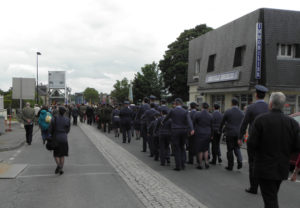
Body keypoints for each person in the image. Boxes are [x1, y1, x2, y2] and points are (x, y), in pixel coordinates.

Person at [248, 92, 300, 208]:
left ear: (270, 104)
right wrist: (285, 152)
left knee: (270, 199)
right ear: (283, 105)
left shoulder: (261, 120)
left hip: (264, 167)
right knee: (271, 195)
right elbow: (297, 146)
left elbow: (251, 144)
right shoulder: (293, 123)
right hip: (282, 167)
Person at [239, 85, 269, 194]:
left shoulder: (251, 108)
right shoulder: (269, 107)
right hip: (267, 140)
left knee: (253, 163)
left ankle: (253, 187)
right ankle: (265, 187)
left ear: (256, 95)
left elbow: (244, 124)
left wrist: (240, 137)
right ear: (264, 96)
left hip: (253, 139)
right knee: (264, 163)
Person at [163, 98, 194, 171]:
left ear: (176, 104)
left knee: (176, 148)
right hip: (183, 131)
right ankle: (183, 164)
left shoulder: (172, 111)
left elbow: (166, 118)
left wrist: (163, 122)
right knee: (182, 147)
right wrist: (192, 129)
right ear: (181, 104)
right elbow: (189, 121)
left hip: (175, 131)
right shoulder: (185, 111)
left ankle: (178, 166)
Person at [219, 98, 244, 171]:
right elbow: (243, 124)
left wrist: (220, 129)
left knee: (230, 150)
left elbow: (222, 122)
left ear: (231, 103)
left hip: (230, 133)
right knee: (237, 148)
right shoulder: (241, 113)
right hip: (238, 133)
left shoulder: (228, 111)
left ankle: (230, 166)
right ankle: (240, 161)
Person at [49, 106, 71, 175]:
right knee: (62, 154)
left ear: (58, 111)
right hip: (64, 138)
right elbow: (68, 130)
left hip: (56, 138)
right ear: (64, 112)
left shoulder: (54, 119)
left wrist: (51, 135)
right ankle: (61, 168)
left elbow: (50, 129)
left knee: (56, 154)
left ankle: (58, 165)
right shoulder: (67, 119)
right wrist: (64, 133)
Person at [193, 102, 213, 169]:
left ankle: (200, 164)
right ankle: (207, 163)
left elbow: (194, 123)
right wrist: (211, 134)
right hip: (208, 133)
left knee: (200, 149)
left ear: (202, 107)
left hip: (199, 133)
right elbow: (211, 126)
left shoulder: (197, 114)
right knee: (206, 149)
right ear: (208, 108)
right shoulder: (210, 115)